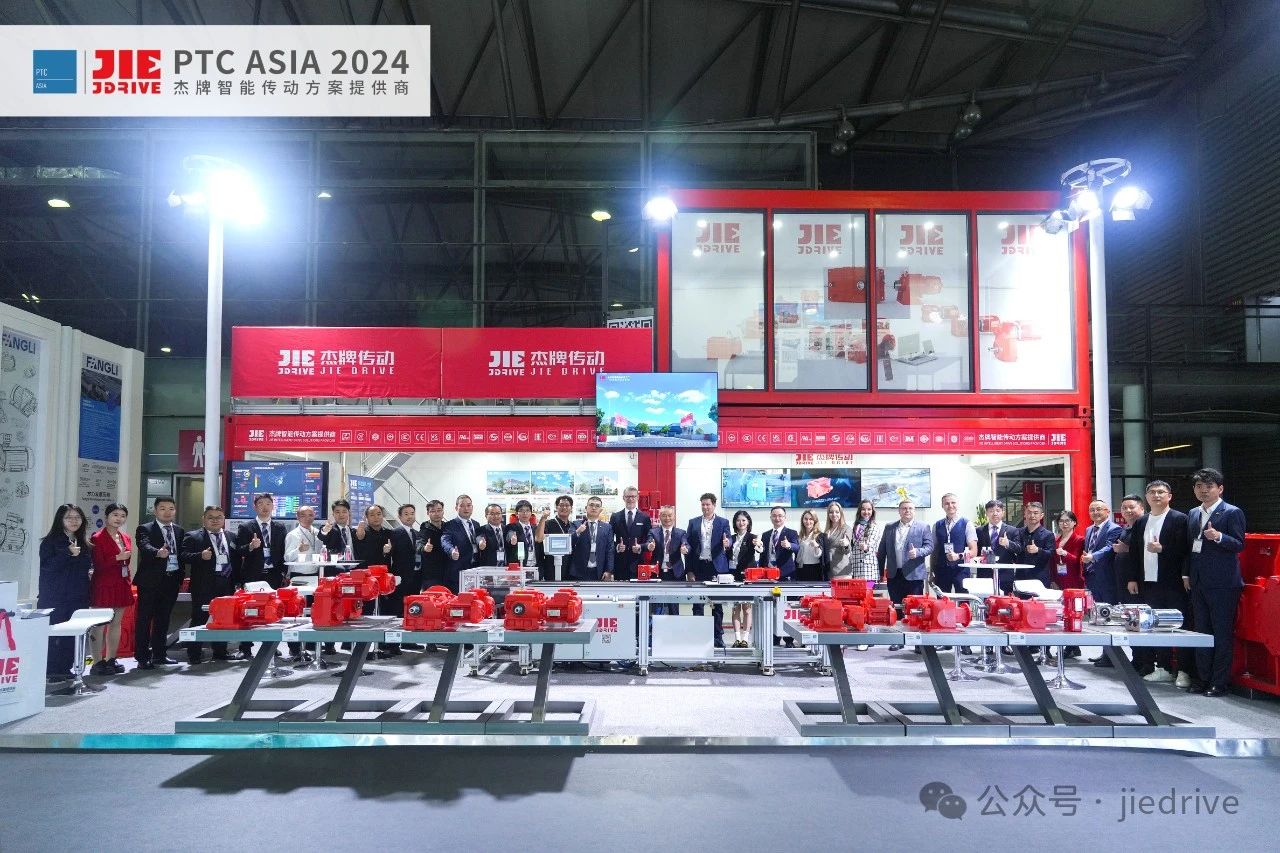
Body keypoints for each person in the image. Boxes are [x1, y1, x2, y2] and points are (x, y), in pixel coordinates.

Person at [1119, 480, 1191, 683]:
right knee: (1155, 625)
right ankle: (1164, 667)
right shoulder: (1142, 521)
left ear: (1169, 496)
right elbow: (1134, 552)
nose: (1156, 495)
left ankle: (1184, 669)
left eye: (1161, 492)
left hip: (1173, 581)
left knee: (1179, 625)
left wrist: (1162, 549)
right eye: (1152, 492)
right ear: (1147, 497)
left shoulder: (1179, 519)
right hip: (1148, 582)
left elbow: (1185, 550)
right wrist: (1132, 578)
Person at [1186, 467, 1246, 697]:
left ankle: (1219, 682)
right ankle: (1202, 679)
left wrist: (1219, 537)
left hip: (1223, 583)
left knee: (1221, 633)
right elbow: (1190, 547)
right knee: (1201, 631)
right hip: (1198, 581)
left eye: (1209, 486)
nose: (1203, 490)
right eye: (1199, 486)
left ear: (1220, 489)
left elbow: (1239, 544)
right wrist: (1187, 574)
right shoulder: (1193, 513)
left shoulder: (1232, 512)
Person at [37, 504, 92, 681]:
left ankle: (66, 668)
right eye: (69, 517)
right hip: (55, 598)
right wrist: (67, 553)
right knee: (55, 635)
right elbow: (47, 568)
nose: (74, 521)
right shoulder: (50, 542)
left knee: (72, 635)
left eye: (77, 517)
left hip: (78, 597)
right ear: (60, 520)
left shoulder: (83, 542)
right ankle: (51, 669)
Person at [181, 506, 242, 664]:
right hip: (204, 584)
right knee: (199, 618)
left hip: (226, 582)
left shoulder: (231, 536)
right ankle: (194, 653)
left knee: (224, 618)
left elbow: (236, 559)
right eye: (211, 517)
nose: (215, 520)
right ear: (203, 519)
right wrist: (200, 556)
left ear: (223, 519)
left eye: (219, 517)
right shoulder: (193, 536)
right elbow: (183, 556)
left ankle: (220, 651)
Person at [133, 497, 185, 670]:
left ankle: (160, 654)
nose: (167, 512)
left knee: (163, 619)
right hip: (150, 582)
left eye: (171, 508)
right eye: (162, 508)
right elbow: (144, 546)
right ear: (155, 511)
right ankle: (142, 657)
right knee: (145, 619)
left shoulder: (179, 530)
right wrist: (157, 552)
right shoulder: (145, 528)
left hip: (172, 580)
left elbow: (182, 553)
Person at [877, 500, 934, 651]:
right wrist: (880, 572)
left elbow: (930, 546)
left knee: (916, 609)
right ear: (899, 511)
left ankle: (918, 643)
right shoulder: (889, 527)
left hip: (914, 575)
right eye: (904, 508)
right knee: (896, 607)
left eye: (910, 508)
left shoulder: (923, 527)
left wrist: (918, 552)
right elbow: (882, 551)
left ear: (914, 511)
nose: (907, 511)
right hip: (894, 574)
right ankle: (898, 639)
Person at [88, 503, 134, 675]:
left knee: (116, 624)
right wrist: (117, 557)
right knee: (99, 625)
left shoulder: (125, 537)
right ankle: (97, 662)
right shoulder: (97, 537)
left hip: (121, 583)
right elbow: (98, 564)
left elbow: (126, 563)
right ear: (107, 516)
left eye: (122, 516)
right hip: (103, 584)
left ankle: (111, 659)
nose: (119, 519)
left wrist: (122, 561)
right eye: (115, 515)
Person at [686, 493, 731, 648]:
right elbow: (688, 547)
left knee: (717, 605)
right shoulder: (693, 522)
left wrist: (728, 542)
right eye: (703, 504)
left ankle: (718, 636)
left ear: (714, 505)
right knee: (698, 604)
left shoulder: (723, 522)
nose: (705, 507)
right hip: (699, 567)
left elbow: (729, 539)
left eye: (708, 504)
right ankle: (698, 635)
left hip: (716, 568)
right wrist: (689, 570)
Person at [1051, 509, 1087, 659]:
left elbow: (1079, 560)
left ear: (1074, 523)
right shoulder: (1056, 540)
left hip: (1074, 580)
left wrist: (1066, 554)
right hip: (1060, 579)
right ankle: (1070, 645)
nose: (1064, 524)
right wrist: (1053, 579)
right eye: (1061, 521)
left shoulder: (1079, 540)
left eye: (1067, 521)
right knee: (1062, 613)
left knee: (1074, 613)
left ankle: (1073, 646)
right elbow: (1052, 562)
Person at [353, 504, 395, 620]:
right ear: (366, 517)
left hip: (384, 576)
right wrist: (359, 532)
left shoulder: (389, 533)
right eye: (372, 515)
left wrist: (386, 552)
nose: (376, 517)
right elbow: (359, 539)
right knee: (367, 608)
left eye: (378, 514)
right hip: (367, 576)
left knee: (385, 607)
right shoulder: (363, 531)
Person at [236, 493, 287, 589]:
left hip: (275, 575)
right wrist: (251, 546)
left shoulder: (280, 527)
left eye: (268, 504)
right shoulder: (245, 527)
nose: (265, 507)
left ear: (273, 507)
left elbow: (284, 551)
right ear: (255, 507)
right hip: (252, 575)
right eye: (261, 503)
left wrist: (284, 572)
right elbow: (239, 550)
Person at [1080, 498, 1124, 604]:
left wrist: (1092, 556)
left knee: (1108, 608)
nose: (1095, 512)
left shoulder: (1115, 528)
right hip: (1090, 576)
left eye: (1098, 509)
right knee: (1092, 607)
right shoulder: (1088, 529)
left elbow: (1109, 547)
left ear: (1107, 512)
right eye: (1092, 510)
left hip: (1106, 577)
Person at [931, 493, 977, 593]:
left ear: (958, 504)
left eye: (953, 502)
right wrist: (931, 571)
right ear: (942, 506)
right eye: (947, 503)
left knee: (963, 600)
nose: (950, 505)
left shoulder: (967, 524)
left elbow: (974, 551)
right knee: (942, 600)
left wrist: (958, 556)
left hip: (961, 570)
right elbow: (934, 551)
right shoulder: (937, 525)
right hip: (941, 570)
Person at [646, 506, 686, 615]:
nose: (667, 518)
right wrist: (649, 546)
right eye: (664, 515)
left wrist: (685, 548)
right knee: (656, 605)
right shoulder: (653, 532)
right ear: (660, 517)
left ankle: (674, 625)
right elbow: (649, 541)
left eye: (669, 515)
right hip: (657, 573)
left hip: (675, 574)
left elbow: (686, 543)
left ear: (674, 517)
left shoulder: (681, 533)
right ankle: (655, 625)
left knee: (674, 606)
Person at [975, 499, 1021, 592]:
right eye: (991, 511)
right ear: (986, 513)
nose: (995, 513)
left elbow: (1019, 549)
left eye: (998, 511)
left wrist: (1008, 543)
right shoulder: (979, 531)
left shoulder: (1012, 530)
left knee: (1005, 600)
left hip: (1005, 574)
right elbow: (976, 551)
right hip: (985, 575)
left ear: (1003, 513)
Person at [728, 510, 759, 647]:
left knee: (746, 608)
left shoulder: (753, 537)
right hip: (733, 576)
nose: (741, 523)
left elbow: (760, 549)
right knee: (735, 608)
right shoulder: (730, 538)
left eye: (743, 520)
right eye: (738, 520)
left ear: (748, 522)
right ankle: (737, 638)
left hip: (747, 577)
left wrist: (759, 545)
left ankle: (745, 639)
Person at [610, 486, 653, 582]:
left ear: (637, 498)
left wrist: (641, 547)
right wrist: (617, 546)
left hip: (638, 563)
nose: (630, 499)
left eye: (633, 496)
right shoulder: (615, 517)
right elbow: (609, 540)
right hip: (620, 564)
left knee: (638, 590)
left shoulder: (645, 517)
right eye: (628, 496)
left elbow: (649, 539)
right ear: (623, 498)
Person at [441, 494, 479, 592]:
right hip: (458, 572)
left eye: (469, 505)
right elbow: (445, 540)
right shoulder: (450, 525)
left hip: (475, 570)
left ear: (472, 507)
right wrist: (451, 551)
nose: (466, 508)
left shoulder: (476, 524)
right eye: (462, 506)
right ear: (456, 508)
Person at [569, 496, 614, 581]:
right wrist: (578, 532)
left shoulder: (607, 527)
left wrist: (609, 570)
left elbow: (610, 550)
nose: (594, 508)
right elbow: (568, 543)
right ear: (586, 508)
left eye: (597, 506)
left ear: (601, 510)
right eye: (591, 505)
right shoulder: (576, 524)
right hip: (579, 571)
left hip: (599, 571)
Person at [535, 495, 576, 581]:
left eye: (567, 505)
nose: (564, 507)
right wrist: (543, 518)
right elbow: (538, 538)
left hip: (570, 568)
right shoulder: (548, 523)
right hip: (551, 567)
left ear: (571, 508)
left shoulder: (573, 526)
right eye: (561, 505)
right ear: (556, 507)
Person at [1013, 501, 1054, 587]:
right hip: (1021, 578)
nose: (1032, 516)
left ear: (1041, 515)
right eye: (1029, 513)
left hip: (1039, 578)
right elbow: (1016, 549)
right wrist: (1008, 544)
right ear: (1025, 515)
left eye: (1035, 513)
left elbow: (1051, 553)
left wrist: (1038, 550)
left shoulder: (1048, 534)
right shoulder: (1018, 532)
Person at [760, 505, 800, 580]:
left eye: (780, 516)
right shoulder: (765, 535)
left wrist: (789, 545)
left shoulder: (791, 532)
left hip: (785, 574)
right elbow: (763, 555)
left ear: (785, 517)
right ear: (770, 517)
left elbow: (797, 547)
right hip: (767, 574)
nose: (777, 518)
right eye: (774, 516)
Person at [318, 499, 358, 568]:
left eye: (344, 511)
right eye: (337, 512)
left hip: (353, 569)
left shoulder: (353, 532)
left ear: (349, 513)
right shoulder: (330, 529)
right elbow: (321, 536)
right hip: (334, 570)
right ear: (333, 514)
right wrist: (324, 530)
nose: (341, 515)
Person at [849, 500, 882, 582]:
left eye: (869, 509)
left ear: (872, 511)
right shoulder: (856, 526)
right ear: (859, 511)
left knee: (869, 589)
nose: (866, 512)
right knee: (857, 591)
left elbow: (871, 543)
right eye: (863, 509)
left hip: (869, 570)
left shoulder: (874, 527)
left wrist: (866, 547)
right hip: (856, 568)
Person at [418, 500, 448, 590]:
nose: (436, 513)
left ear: (443, 511)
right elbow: (419, 543)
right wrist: (424, 548)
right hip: (431, 575)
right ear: (428, 513)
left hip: (447, 572)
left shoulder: (448, 527)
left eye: (439, 510)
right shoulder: (424, 529)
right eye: (433, 511)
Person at [475, 503, 513, 568]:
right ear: (486, 516)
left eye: (498, 513)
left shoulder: (507, 529)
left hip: (506, 568)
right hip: (490, 569)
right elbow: (480, 537)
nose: (496, 516)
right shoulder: (481, 530)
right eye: (492, 514)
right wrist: (481, 544)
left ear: (502, 515)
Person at [506, 500, 540, 572]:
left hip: (535, 567)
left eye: (527, 510)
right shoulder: (511, 526)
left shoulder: (536, 528)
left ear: (531, 513)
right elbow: (510, 534)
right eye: (521, 510)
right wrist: (512, 539)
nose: (525, 513)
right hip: (519, 567)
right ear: (516, 513)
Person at [795, 509, 828, 582]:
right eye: (806, 519)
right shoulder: (800, 536)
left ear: (815, 521)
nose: (808, 521)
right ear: (802, 520)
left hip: (815, 569)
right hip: (801, 569)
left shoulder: (821, 536)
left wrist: (816, 546)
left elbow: (821, 556)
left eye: (811, 519)